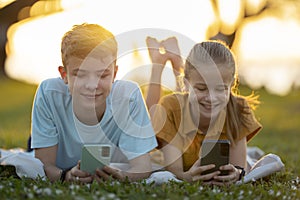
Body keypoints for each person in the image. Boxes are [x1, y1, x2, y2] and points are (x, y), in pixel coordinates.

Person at [30, 23, 157, 183]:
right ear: (64, 75)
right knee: (28, 160)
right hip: (56, 143)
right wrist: (67, 177)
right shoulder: (49, 93)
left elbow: (143, 167)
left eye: (103, 75)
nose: (92, 85)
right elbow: (45, 166)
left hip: (114, 154)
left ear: (114, 73)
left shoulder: (129, 96)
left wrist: (121, 176)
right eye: (80, 75)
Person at [146, 38, 262, 185]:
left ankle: (177, 63)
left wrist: (236, 173)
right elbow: (175, 171)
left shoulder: (238, 109)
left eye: (220, 89)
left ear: (231, 85)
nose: (211, 98)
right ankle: (159, 64)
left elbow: (240, 167)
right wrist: (187, 177)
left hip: (188, 95)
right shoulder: (170, 107)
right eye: (202, 88)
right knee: (150, 120)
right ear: (186, 83)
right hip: (179, 104)